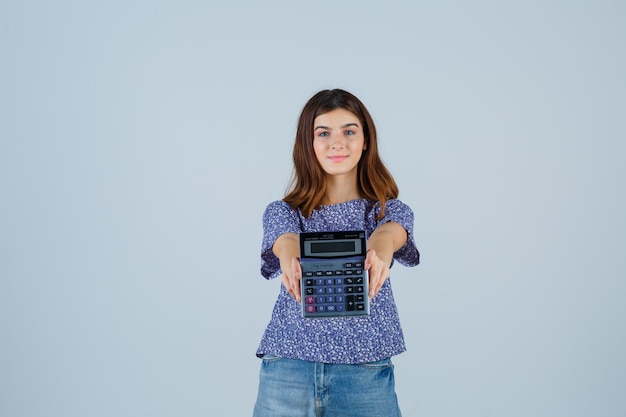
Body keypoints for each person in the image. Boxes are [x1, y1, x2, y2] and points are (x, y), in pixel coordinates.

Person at [252, 89, 420, 417]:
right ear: (308, 143)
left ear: (366, 140)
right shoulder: (284, 212)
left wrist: (380, 246)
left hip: (365, 368)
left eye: (349, 131)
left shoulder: (388, 213)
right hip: (289, 366)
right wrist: (289, 252)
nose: (336, 142)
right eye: (323, 133)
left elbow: (392, 232)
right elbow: (284, 239)